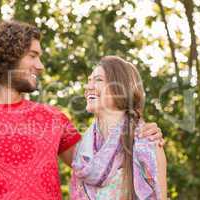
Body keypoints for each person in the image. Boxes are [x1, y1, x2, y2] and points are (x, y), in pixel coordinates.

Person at [0, 21, 164, 200]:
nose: (40, 66)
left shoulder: (53, 119)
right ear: (7, 57)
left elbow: (102, 164)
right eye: (33, 56)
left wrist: (139, 133)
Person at [70, 56, 167, 200]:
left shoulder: (147, 144)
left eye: (98, 80)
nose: (88, 87)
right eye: (89, 80)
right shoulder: (84, 153)